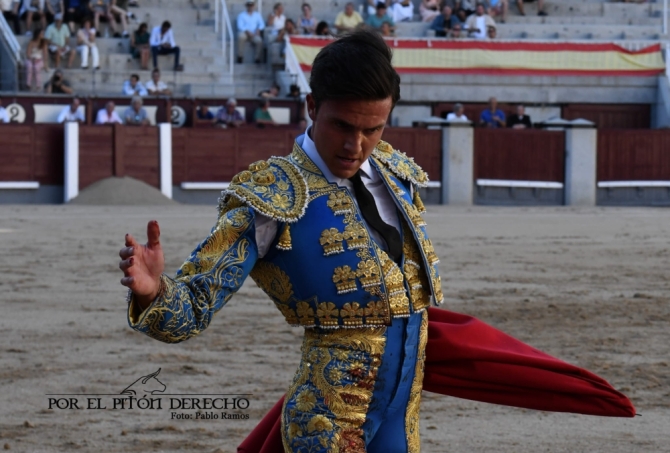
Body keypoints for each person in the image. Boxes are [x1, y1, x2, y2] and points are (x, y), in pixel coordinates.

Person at [119, 28, 444, 451]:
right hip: (327, 424)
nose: (355, 145)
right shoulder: (271, 198)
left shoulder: (395, 175)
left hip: (403, 414)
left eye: (373, 129)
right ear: (311, 106)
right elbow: (191, 309)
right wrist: (153, 292)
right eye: (342, 126)